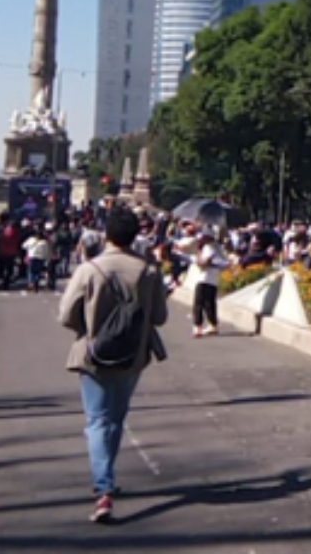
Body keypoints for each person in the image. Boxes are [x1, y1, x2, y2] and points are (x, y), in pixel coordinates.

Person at [57, 205, 168, 523]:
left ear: (106, 234)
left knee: (96, 420)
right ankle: (108, 475)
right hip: (133, 354)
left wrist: (90, 325)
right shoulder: (147, 271)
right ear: (136, 235)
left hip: (93, 353)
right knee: (116, 418)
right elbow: (159, 316)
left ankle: (103, 488)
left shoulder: (89, 269)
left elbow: (66, 316)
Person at [192, 228, 229, 337]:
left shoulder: (208, 247)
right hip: (214, 279)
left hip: (204, 278)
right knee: (210, 303)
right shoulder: (219, 248)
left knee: (198, 303)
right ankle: (213, 325)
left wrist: (198, 256)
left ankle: (197, 326)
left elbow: (203, 263)